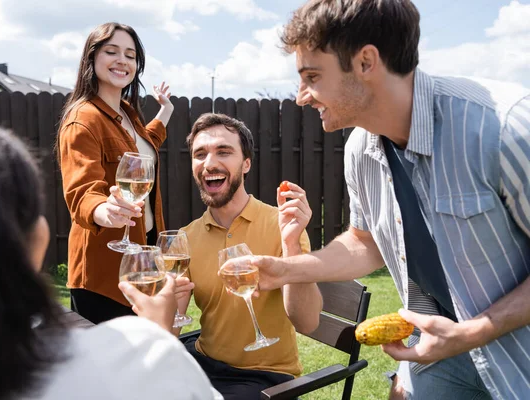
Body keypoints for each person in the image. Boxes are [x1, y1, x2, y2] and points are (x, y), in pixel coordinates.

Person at [221, 1, 530, 399]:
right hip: (436, 345)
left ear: (366, 62)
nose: (301, 96)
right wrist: (284, 269)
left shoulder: (504, 128)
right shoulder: (359, 149)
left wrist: (475, 331)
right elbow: (364, 243)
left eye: (312, 76)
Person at [0, 111, 222, 400]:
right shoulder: (122, 361)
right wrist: (158, 340)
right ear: (35, 237)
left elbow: (150, 137)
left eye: (131, 59)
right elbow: (83, 188)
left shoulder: (130, 121)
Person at [175, 113, 323, 400]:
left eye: (223, 151)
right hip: (203, 361)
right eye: (200, 154)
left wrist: (291, 246)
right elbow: (172, 322)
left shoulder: (282, 225)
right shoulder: (187, 237)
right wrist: (161, 303)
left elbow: (307, 323)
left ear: (246, 164)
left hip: (265, 375)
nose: (209, 163)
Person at [58, 22, 174, 324]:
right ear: (92, 58)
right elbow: (81, 189)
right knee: (107, 367)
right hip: (104, 273)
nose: (122, 60)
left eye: (130, 55)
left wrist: (166, 112)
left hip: (141, 254)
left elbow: (142, 148)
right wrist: (102, 210)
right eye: (112, 52)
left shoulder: (127, 112)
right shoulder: (82, 119)